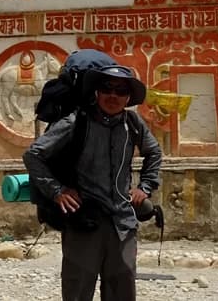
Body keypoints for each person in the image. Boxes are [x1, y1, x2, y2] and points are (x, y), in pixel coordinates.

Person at [24, 64, 163, 301]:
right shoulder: (76, 122)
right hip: (85, 221)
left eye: (120, 91)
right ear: (97, 92)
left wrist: (145, 187)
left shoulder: (133, 124)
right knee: (78, 290)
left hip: (123, 222)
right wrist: (57, 191)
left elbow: (154, 153)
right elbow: (33, 155)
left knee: (122, 289)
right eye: (107, 88)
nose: (113, 96)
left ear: (128, 96)